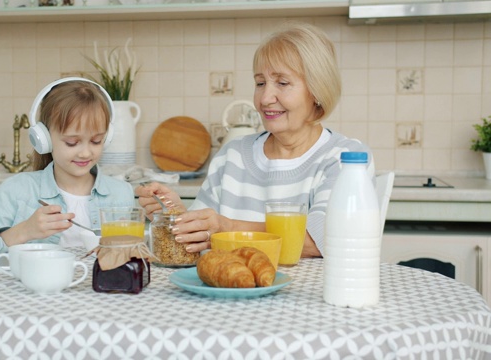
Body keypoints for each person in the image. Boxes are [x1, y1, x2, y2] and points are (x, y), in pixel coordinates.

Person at [137, 21, 374, 258]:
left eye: (282, 83)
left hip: (307, 294)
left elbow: (321, 239)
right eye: (260, 83)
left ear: (317, 91)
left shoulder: (345, 158)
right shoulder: (233, 155)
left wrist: (227, 228)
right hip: (230, 291)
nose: (265, 98)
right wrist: (175, 214)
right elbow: (203, 234)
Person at [0, 78, 135, 259]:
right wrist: (24, 231)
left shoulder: (121, 193)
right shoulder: (17, 190)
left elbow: (135, 256)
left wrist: (160, 219)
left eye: (96, 141)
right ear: (44, 139)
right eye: (72, 142)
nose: (85, 153)